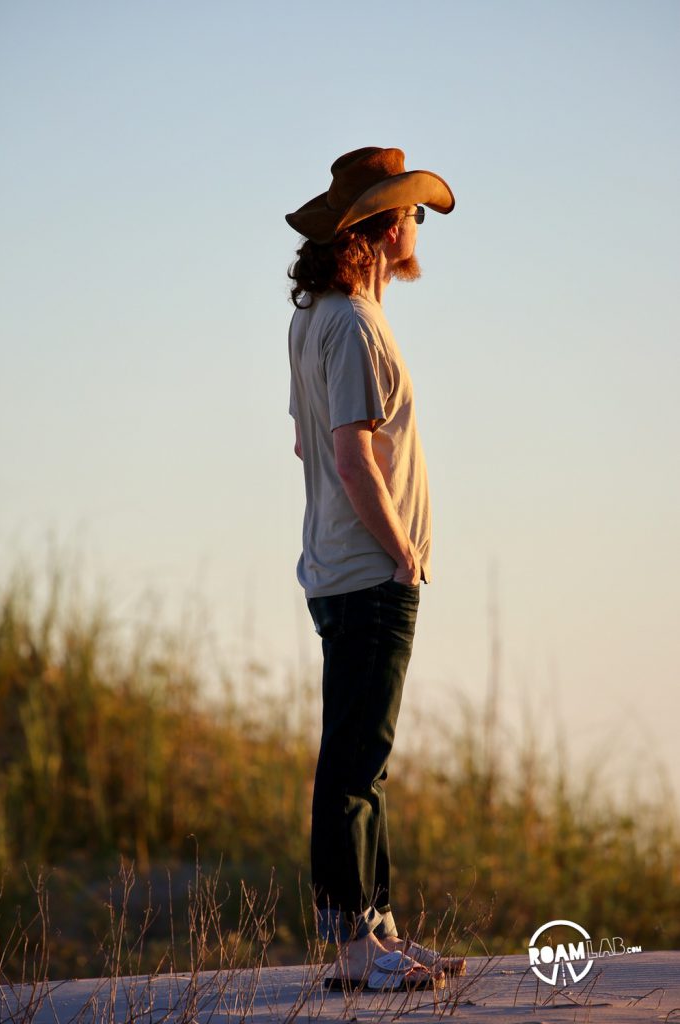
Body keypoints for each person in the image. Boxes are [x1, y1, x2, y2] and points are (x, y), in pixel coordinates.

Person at [285, 147, 463, 991]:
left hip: (340, 565)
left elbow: (301, 441)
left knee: (364, 756)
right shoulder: (353, 322)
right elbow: (348, 454)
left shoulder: (315, 317)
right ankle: (356, 950)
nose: (415, 227)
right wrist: (399, 552)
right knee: (355, 761)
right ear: (381, 227)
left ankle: (380, 931)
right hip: (366, 572)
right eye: (410, 214)